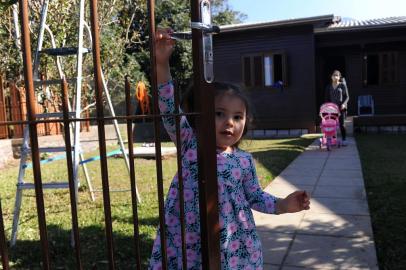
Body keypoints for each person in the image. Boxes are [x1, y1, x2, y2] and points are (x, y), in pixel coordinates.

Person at [149, 28, 311, 270]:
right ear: (200, 115)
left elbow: (255, 196)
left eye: (238, 116)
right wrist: (162, 64)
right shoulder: (190, 143)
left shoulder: (244, 160)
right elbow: (169, 107)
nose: (229, 122)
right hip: (188, 239)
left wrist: (284, 205)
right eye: (219, 114)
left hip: (234, 244)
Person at [324, 70, 349, 145]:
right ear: (331, 77)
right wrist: (327, 107)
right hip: (332, 109)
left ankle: (344, 139)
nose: (335, 77)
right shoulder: (328, 87)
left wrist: (344, 104)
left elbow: (347, 97)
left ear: (339, 77)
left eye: (337, 75)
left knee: (342, 124)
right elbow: (326, 99)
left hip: (341, 108)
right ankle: (333, 140)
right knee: (332, 124)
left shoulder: (342, 85)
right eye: (334, 75)